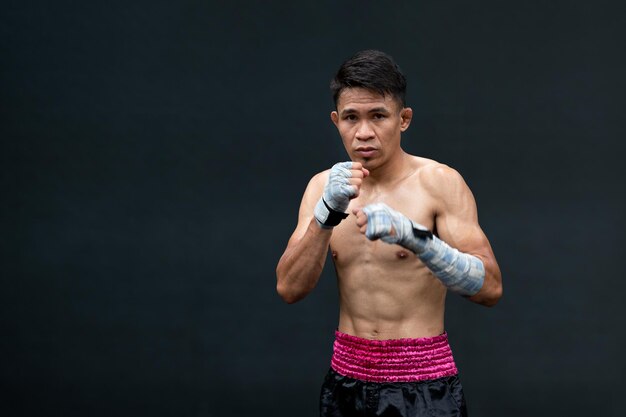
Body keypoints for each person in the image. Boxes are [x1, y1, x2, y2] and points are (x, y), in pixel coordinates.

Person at [276, 50, 502, 417]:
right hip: (345, 383)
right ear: (336, 121)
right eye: (351, 117)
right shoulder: (322, 188)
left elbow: (490, 288)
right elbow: (289, 288)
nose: (364, 132)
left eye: (378, 116)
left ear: (404, 119)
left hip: (424, 386)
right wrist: (326, 213)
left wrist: (418, 240)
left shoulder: (438, 183)